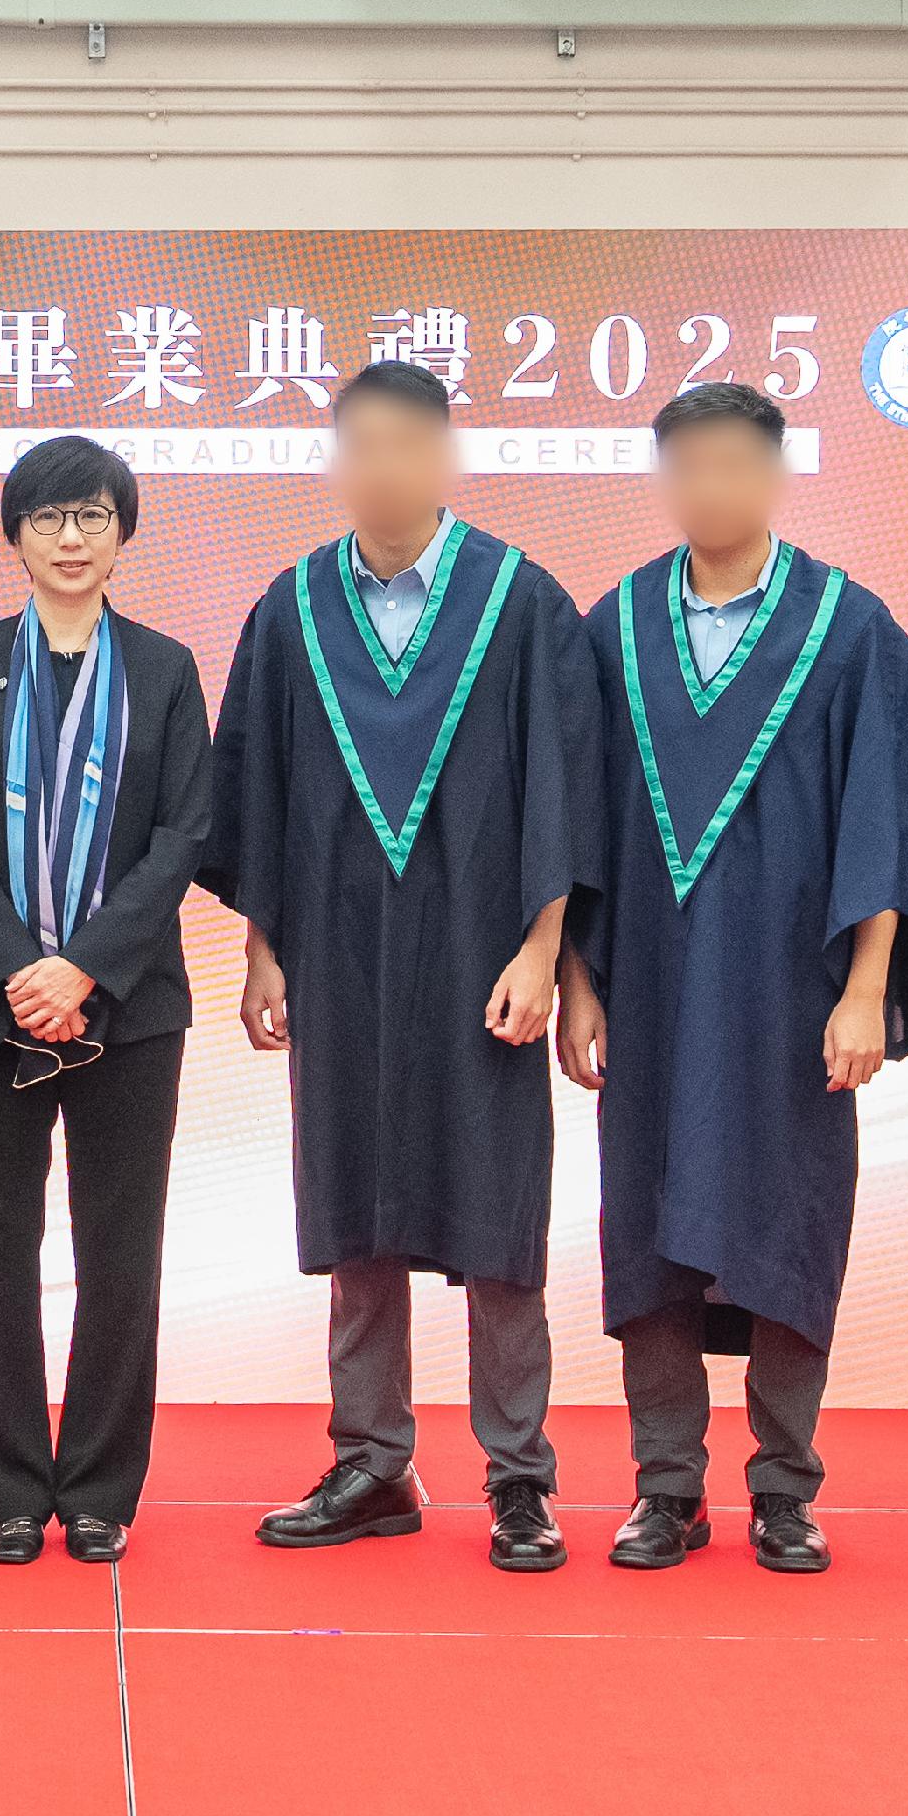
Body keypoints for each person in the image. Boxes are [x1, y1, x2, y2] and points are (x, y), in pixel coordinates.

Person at [558, 381, 908, 1577]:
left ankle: (784, 1488)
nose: (712, 488)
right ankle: (664, 1487)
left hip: (793, 987)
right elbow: (574, 828)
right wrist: (579, 982)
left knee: (789, 1228)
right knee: (650, 1234)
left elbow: (887, 820)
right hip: (649, 984)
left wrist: (866, 989)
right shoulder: (611, 627)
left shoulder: (848, 630)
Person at [208, 360, 597, 1573]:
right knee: (355, 1202)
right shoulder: (290, 609)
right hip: (334, 953)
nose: (378, 468)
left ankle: (518, 1477)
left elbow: (562, 785)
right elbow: (254, 790)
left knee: (496, 1214)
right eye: (357, 445)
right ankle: (371, 1459)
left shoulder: (518, 601)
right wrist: (263, 951)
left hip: (480, 953)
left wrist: (544, 950)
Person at [0, 436, 214, 1566]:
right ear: (15, 537)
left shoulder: (167, 668)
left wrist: (82, 966)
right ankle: (4, 1489)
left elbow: (185, 831)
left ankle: (97, 1489)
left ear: (123, 531)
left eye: (91, 517)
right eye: (47, 519)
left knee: (119, 1255)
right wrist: (16, 969)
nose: (71, 539)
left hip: (127, 1010)